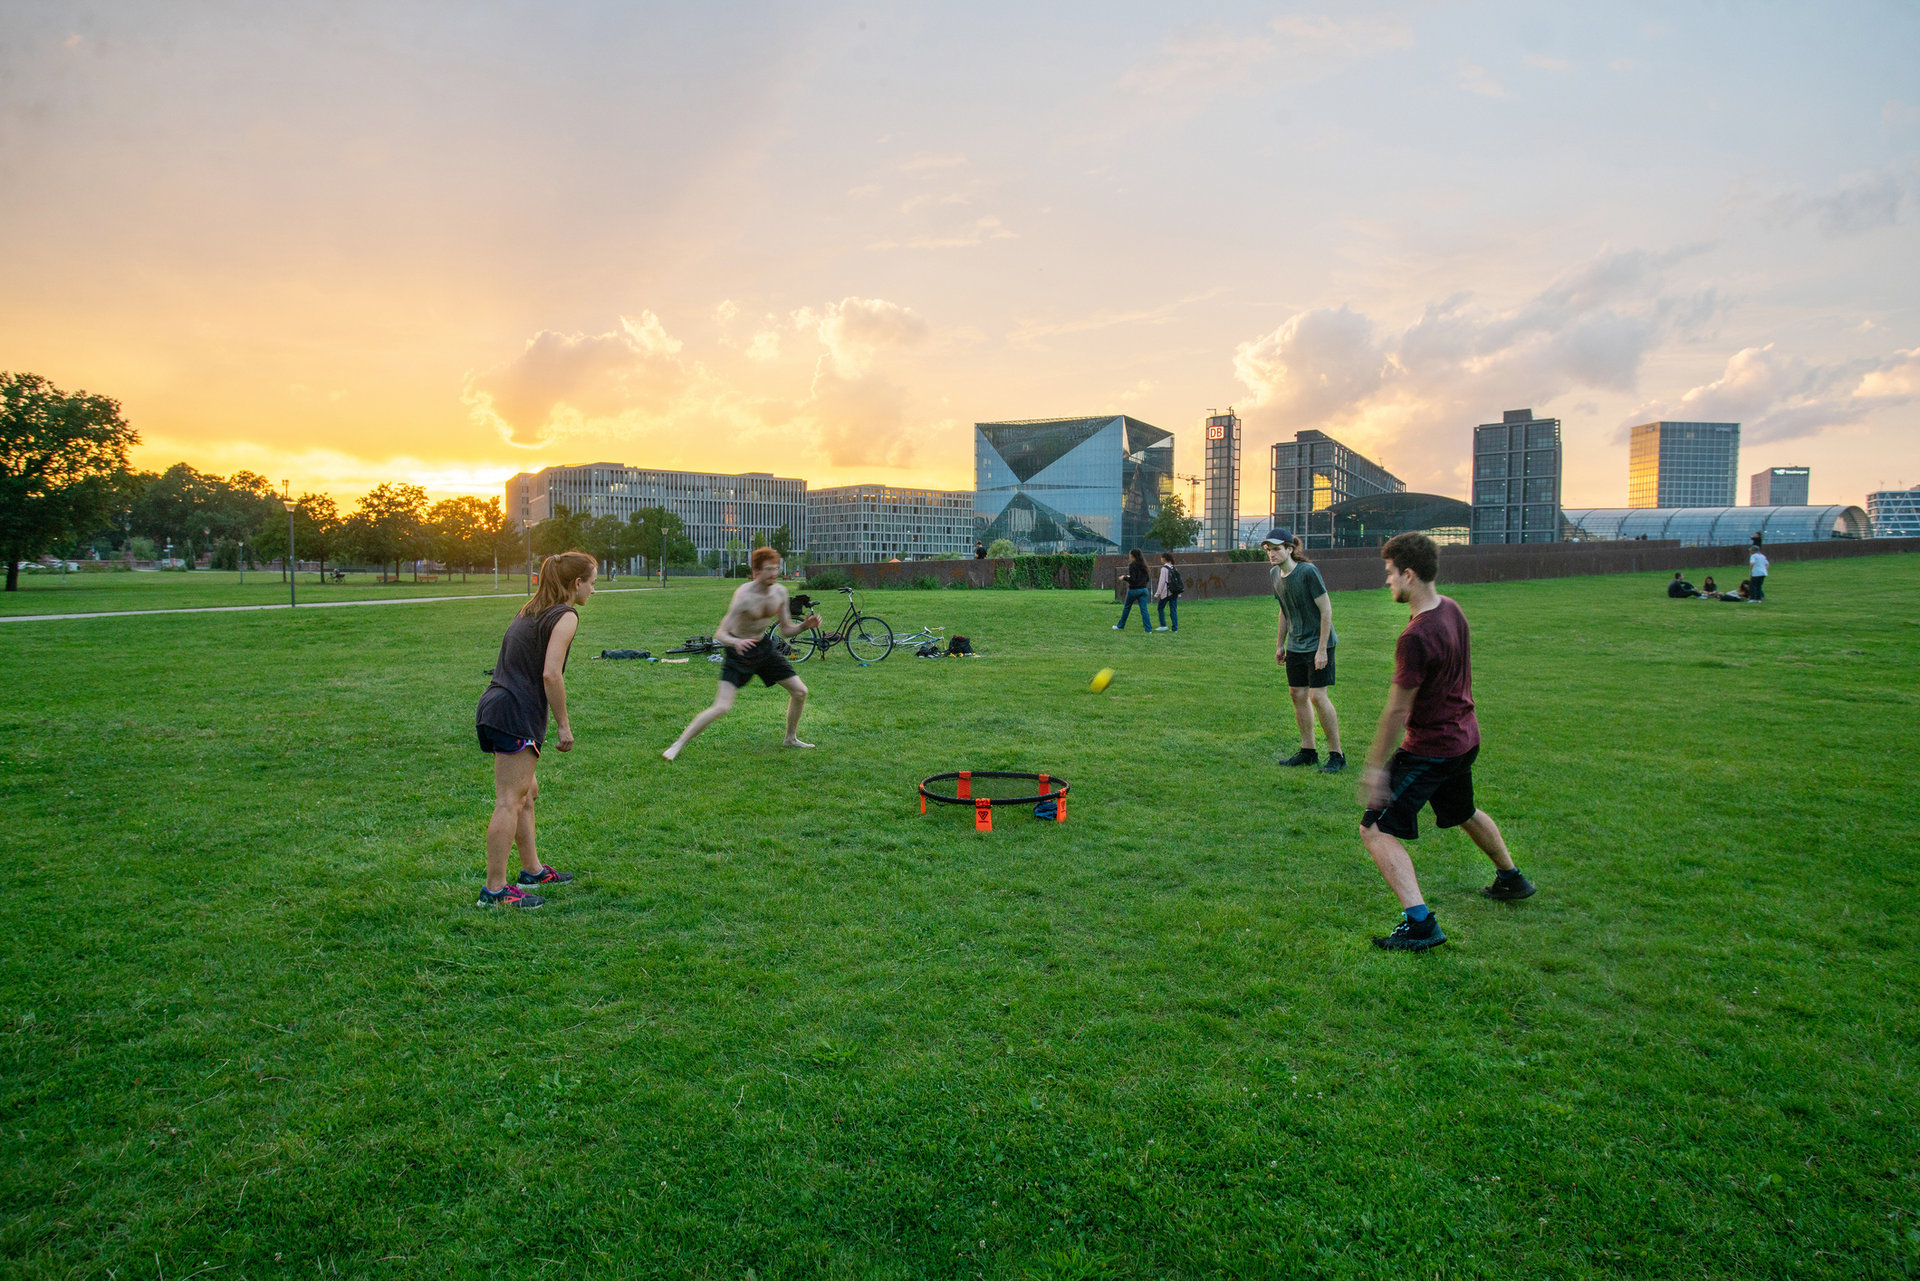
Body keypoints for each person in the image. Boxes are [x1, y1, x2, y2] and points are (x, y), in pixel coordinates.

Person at [1358, 533, 1536, 951]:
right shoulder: (1451, 609)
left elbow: (1397, 711)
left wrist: (1373, 768)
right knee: (1462, 810)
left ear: (1409, 573)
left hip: (1432, 747)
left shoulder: (1416, 636)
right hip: (1464, 738)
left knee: (1375, 828)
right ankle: (1511, 879)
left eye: (1390, 573)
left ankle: (1420, 925)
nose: (1387, 581)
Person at [473, 551, 596, 909]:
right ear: (576, 584)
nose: (593, 590)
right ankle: (495, 891)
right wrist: (564, 727)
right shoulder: (566, 615)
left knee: (527, 795)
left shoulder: (529, 609)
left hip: (497, 706)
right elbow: (550, 674)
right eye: (592, 583)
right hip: (515, 712)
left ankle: (532, 871)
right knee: (509, 800)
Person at [662, 546, 822, 761]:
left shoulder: (780, 593)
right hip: (739, 652)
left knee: (800, 691)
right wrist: (736, 642)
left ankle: (790, 738)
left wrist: (804, 626)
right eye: (768, 569)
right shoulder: (744, 596)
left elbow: (785, 630)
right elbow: (720, 633)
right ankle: (677, 744)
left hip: (764, 648)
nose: (774, 573)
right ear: (756, 571)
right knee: (722, 706)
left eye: (776, 568)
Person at [1263, 529, 1344, 772]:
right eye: (1269, 550)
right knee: (1297, 694)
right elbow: (1284, 610)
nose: (1272, 554)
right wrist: (1280, 643)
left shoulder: (1308, 572)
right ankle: (1308, 751)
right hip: (1296, 645)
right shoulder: (1274, 575)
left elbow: (1326, 610)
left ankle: (1337, 755)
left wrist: (1322, 650)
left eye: (1276, 549)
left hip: (1319, 643)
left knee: (1318, 696)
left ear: (1289, 549)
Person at [1113, 548, 1153, 633]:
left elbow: (1133, 579)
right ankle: (1148, 629)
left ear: (1132, 555)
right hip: (1144, 590)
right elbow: (1146, 578)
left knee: (1127, 607)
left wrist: (1124, 577)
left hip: (1134, 590)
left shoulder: (1132, 565)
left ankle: (1120, 625)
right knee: (1144, 610)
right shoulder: (1144, 565)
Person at [1153, 552, 1182, 632]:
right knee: (1173, 610)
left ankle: (1163, 625)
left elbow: (1161, 582)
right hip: (1174, 592)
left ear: (1164, 559)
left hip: (1166, 592)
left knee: (1160, 608)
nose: (1161, 559)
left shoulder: (1164, 569)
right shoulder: (1174, 568)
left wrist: (1157, 594)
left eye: (1161, 558)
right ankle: (1174, 628)